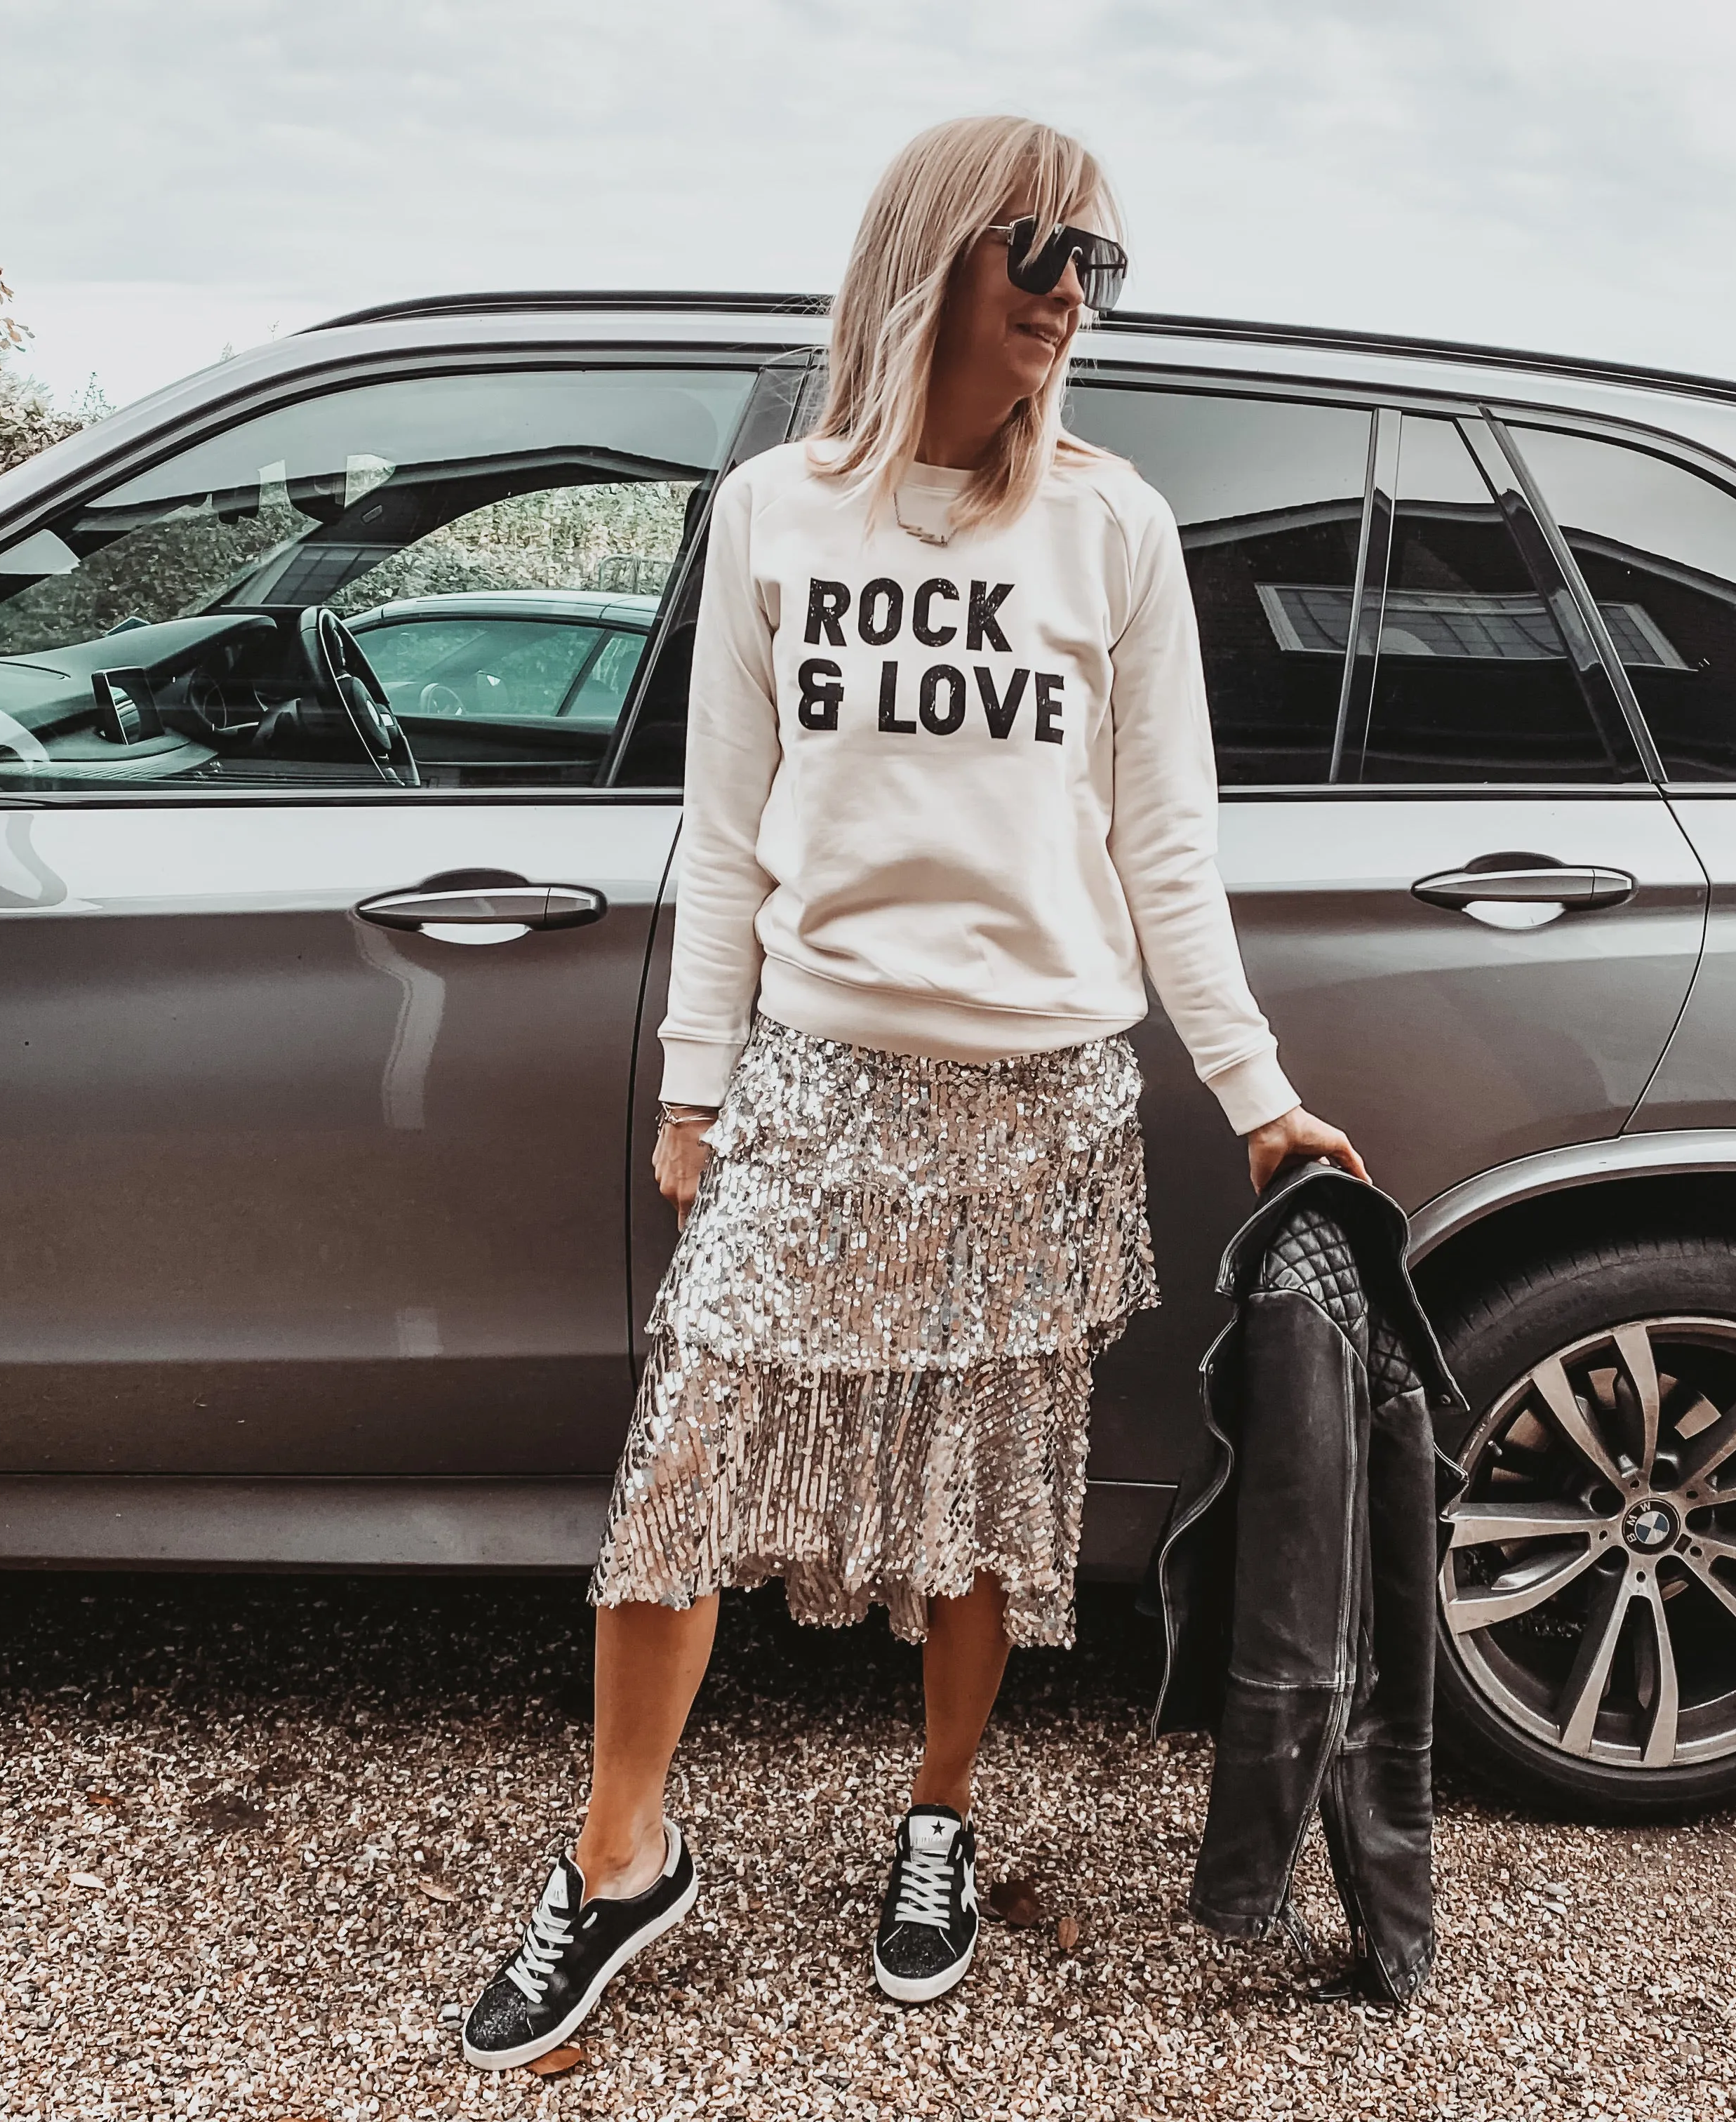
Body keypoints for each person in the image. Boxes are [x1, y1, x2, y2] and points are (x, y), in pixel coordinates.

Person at [462, 112, 1365, 2070]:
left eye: (1093, 266)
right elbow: (724, 837)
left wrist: (1258, 1088)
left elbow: (1167, 848)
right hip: (817, 1084)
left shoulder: (1112, 528)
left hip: (1041, 1101)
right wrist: (700, 1089)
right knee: (678, 1481)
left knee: (983, 1511)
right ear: (936, 249)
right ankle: (621, 1858)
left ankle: (940, 1817)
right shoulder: (778, 510)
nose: (1065, 294)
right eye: (1035, 247)